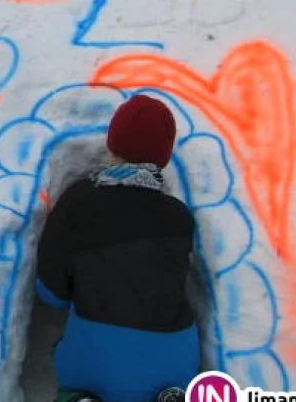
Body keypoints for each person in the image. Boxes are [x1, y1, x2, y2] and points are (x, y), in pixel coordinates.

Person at [36, 94, 200, 402]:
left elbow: (50, 293)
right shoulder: (179, 217)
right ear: (163, 158)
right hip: (176, 361)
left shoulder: (79, 203)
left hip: (94, 362)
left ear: (112, 145)